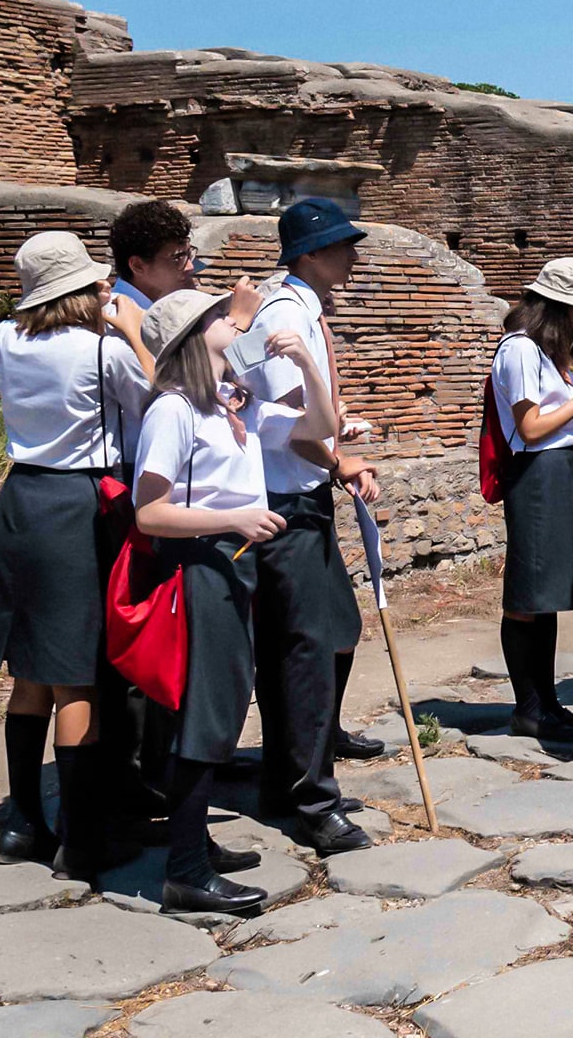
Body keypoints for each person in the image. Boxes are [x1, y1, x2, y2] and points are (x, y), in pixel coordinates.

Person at [132, 287, 339, 913]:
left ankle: (191, 844)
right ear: (196, 336)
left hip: (230, 568)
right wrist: (237, 519)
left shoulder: (230, 406)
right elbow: (148, 513)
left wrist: (308, 364)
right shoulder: (172, 411)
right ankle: (186, 873)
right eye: (220, 316)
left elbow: (321, 429)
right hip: (198, 569)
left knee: (219, 708)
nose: (233, 319)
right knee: (207, 713)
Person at [0, 232, 151, 879]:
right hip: (77, 505)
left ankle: (22, 822)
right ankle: (80, 844)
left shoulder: (4, 339)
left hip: (20, 500)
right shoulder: (102, 350)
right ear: (82, 287)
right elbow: (149, 402)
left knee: (31, 671)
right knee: (76, 673)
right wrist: (131, 327)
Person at [239, 200, 381, 857]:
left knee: (322, 641)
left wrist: (337, 451)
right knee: (305, 652)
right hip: (284, 503)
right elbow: (286, 424)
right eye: (341, 244)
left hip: (302, 496)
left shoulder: (303, 312)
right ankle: (311, 800)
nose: (351, 254)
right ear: (311, 254)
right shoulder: (285, 316)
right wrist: (336, 455)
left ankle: (290, 778)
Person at [488, 257, 573, 745]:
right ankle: (529, 707)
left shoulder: (544, 353)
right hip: (536, 475)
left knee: (547, 596)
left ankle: (547, 702)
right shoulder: (519, 350)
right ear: (554, 309)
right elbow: (531, 426)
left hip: (559, 470)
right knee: (528, 594)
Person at [108, 199, 198, 314]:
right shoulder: (112, 321)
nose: (190, 267)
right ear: (138, 266)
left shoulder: (168, 306)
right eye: (177, 259)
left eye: (188, 254)